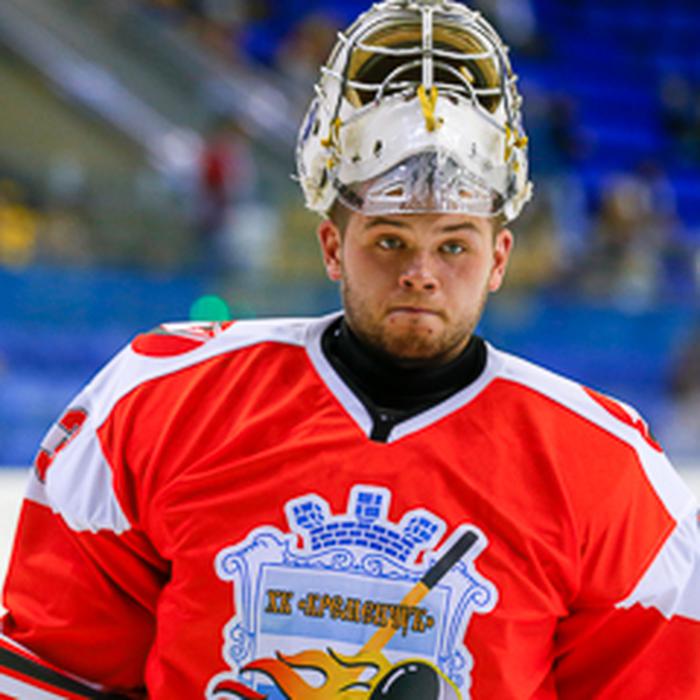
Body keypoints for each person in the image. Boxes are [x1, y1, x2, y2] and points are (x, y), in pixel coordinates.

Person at [2, 1, 699, 698]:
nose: (420, 273)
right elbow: (52, 669)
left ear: (498, 259)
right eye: (389, 239)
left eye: (454, 245)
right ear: (333, 246)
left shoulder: (606, 467)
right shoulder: (159, 400)